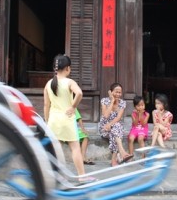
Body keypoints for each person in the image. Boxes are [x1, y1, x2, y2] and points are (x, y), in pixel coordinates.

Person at [43, 55, 94, 183]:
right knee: (75, 148)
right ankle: (81, 176)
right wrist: (73, 107)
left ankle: (57, 176)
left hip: (54, 120)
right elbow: (80, 93)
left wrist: (46, 121)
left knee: (56, 150)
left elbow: (46, 105)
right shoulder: (70, 82)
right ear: (67, 68)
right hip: (67, 119)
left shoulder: (48, 84)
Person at [99, 82, 132, 166]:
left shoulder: (122, 103)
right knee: (117, 130)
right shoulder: (104, 101)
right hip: (104, 128)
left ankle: (117, 156)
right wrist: (112, 101)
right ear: (111, 92)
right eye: (116, 92)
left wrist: (110, 125)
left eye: (120, 92)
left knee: (116, 128)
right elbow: (105, 116)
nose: (118, 94)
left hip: (114, 127)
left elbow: (118, 118)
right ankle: (121, 153)